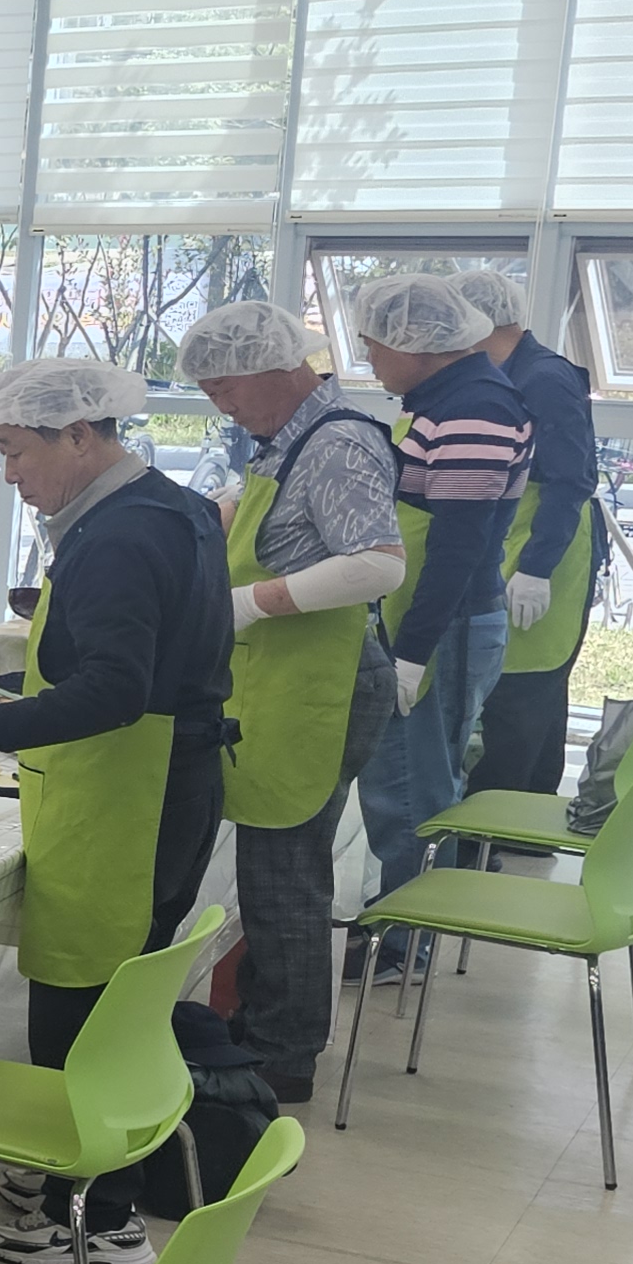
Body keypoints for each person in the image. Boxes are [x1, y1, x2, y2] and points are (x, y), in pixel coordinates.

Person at [0, 360, 235, 1264]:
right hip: (165, 781)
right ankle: (78, 1169)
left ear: (80, 436)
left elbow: (114, 691)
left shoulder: (120, 536)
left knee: (85, 1005)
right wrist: (19, 679)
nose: (10, 475)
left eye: (18, 453)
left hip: (131, 797)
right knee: (117, 1001)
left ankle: (95, 1217)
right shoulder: (168, 506)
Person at [177, 302, 400, 1103]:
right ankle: (265, 1025)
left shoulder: (336, 442)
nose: (221, 405)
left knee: (285, 874)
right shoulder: (293, 436)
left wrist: (249, 603)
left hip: (325, 680)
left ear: (276, 368)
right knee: (273, 867)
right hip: (291, 675)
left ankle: (282, 1055)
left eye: (225, 388)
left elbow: (377, 564)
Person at [350, 277, 535, 978]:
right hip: (434, 618)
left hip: (444, 626)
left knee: (410, 789)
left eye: (375, 346)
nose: (371, 360)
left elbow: (457, 545)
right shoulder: (443, 400)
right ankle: (407, 923)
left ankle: (405, 945)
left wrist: (411, 654)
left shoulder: (475, 408)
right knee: (413, 782)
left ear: (415, 343)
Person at [458, 268, 603, 826]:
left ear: (478, 321)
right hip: (519, 540)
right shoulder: (504, 372)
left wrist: (537, 568)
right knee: (532, 693)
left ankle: (499, 825)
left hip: (549, 549)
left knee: (523, 693)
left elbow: (572, 479)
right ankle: (528, 824)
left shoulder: (543, 377)